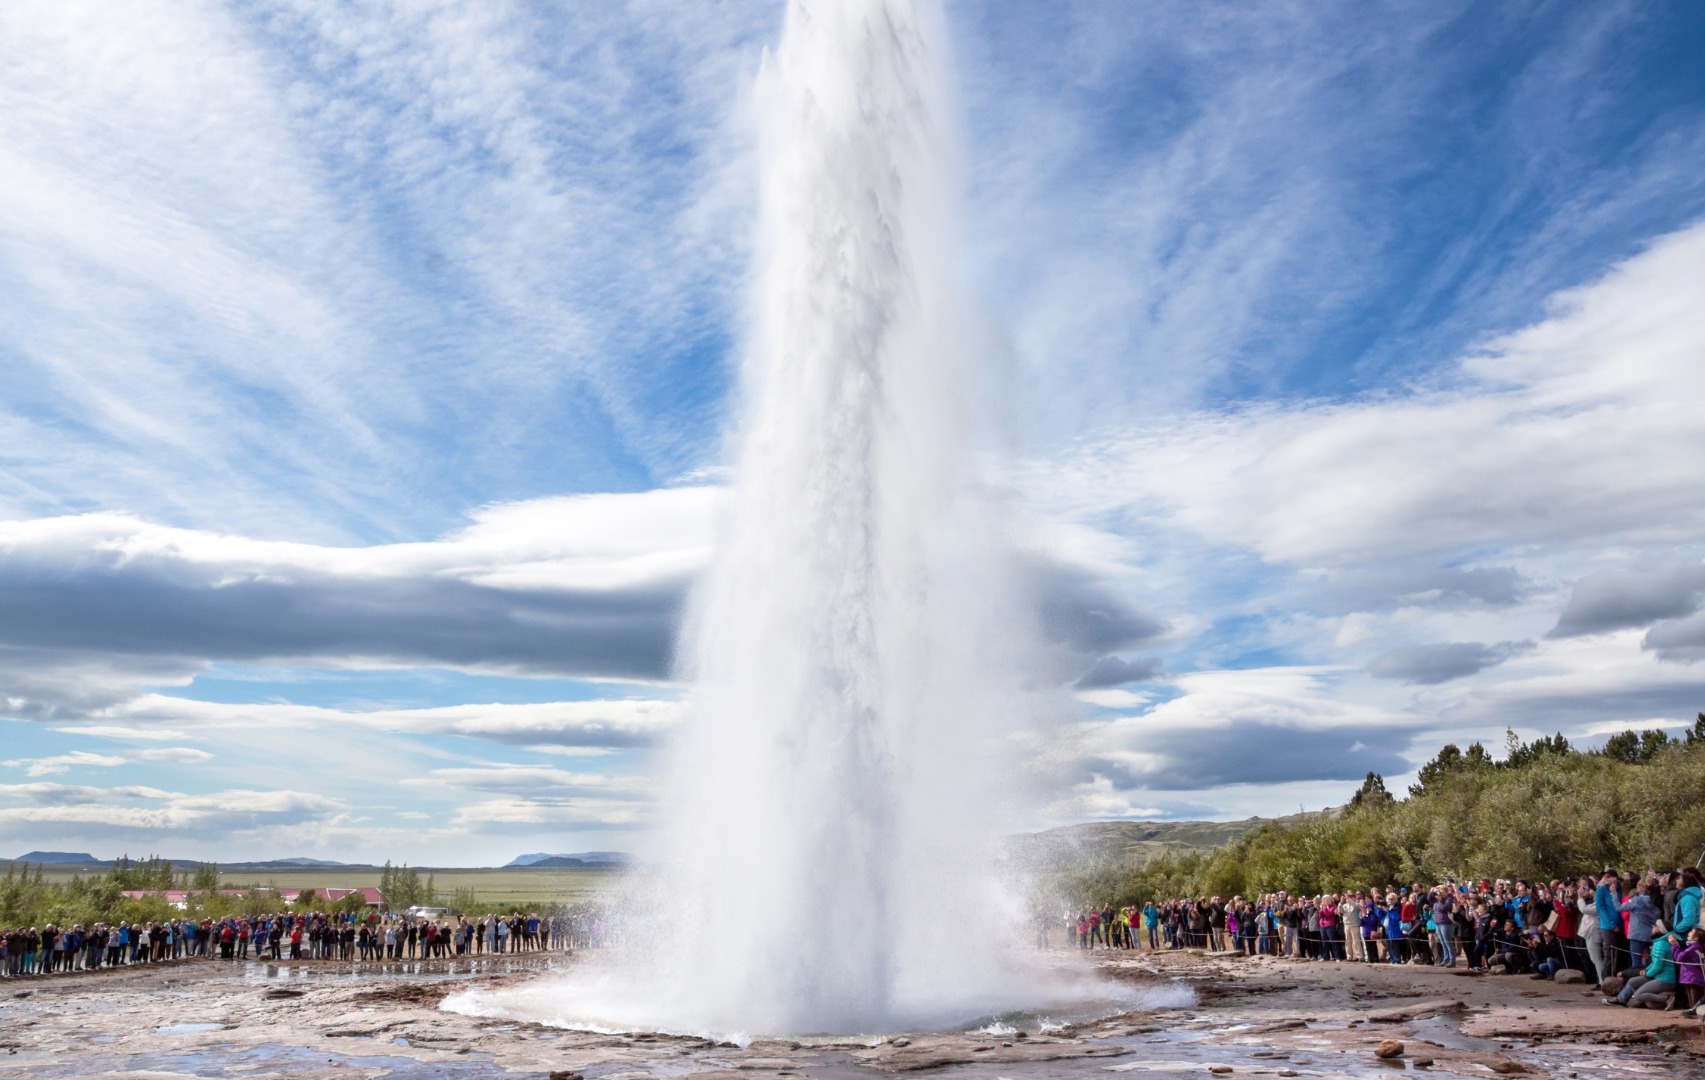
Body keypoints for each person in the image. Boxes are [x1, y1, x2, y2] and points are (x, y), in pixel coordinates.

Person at [1608, 928, 1677, 1009]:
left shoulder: (1660, 944)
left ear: (1659, 930)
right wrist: (1646, 970)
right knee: (1632, 981)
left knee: (1638, 995)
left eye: (1655, 926)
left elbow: (1658, 966)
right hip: (1657, 976)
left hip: (1664, 979)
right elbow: (1654, 963)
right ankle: (1621, 999)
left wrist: (1647, 974)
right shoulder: (1659, 942)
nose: (1652, 927)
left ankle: (1666, 998)